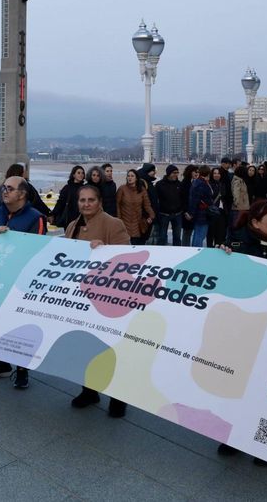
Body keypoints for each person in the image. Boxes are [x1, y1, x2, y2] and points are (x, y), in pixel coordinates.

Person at [216, 199, 267, 467]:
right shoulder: (235, 247)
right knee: (236, 386)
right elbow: (219, 281)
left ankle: (265, 444)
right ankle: (233, 436)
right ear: (254, 222)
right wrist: (218, 257)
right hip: (241, 331)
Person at [67, 184, 133, 417]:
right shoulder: (72, 226)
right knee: (86, 347)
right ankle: (89, 390)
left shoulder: (113, 224)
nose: (86, 204)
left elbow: (128, 260)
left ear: (100, 201)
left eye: (90, 200)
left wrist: (106, 251)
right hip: (83, 298)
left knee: (112, 349)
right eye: (82, 200)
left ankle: (119, 397)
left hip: (109, 300)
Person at [0, 176, 47, 389]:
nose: (5, 191)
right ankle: (2, 363)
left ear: (22, 194)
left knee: (20, 328)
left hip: (22, 283)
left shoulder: (36, 217)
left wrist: (13, 237)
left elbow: (40, 251)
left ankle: (22, 370)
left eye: (10, 188)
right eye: (3, 187)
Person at [116, 169, 154, 244]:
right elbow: (117, 204)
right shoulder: (122, 189)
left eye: (132, 176)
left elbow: (147, 205)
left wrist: (151, 215)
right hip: (124, 222)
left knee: (135, 244)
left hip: (137, 222)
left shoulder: (142, 190)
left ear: (136, 178)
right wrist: (119, 219)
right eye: (128, 176)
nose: (130, 178)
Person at [154, 165, 184, 246]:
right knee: (162, 237)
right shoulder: (159, 185)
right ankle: (161, 253)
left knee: (177, 237)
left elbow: (183, 198)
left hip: (178, 214)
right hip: (164, 214)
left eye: (177, 173)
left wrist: (182, 210)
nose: (176, 175)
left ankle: (177, 254)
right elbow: (155, 200)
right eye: (174, 173)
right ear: (168, 173)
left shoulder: (180, 184)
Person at [51, 165, 86, 230]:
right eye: (78, 173)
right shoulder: (67, 188)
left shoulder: (85, 188)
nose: (81, 174)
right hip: (69, 218)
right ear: (73, 175)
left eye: (82, 173)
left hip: (81, 218)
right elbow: (60, 202)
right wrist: (53, 213)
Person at [187, 165, 214, 247]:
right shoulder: (202, 183)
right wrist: (191, 213)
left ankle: (195, 249)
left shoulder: (198, 182)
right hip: (202, 213)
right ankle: (197, 250)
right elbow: (195, 200)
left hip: (199, 212)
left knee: (197, 233)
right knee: (200, 234)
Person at [206, 166, 229, 247]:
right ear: (212, 174)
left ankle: (218, 249)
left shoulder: (222, 184)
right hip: (213, 211)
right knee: (211, 234)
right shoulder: (209, 185)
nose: (217, 175)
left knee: (220, 234)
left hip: (222, 211)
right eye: (215, 173)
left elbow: (224, 197)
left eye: (218, 173)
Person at [180, 164, 198, 245]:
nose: (197, 173)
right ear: (190, 172)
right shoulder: (185, 183)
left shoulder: (194, 182)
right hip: (186, 212)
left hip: (192, 212)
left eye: (198, 172)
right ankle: (185, 248)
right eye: (195, 171)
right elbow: (182, 199)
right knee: (187, 233)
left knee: (188, 232)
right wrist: (186, 212)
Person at [230, 164, 251, 233]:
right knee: (239, 225)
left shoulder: (239, 180)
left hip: (241, 207)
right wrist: (236, 203)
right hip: (240, 208)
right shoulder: (238, 181)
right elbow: (236, 194)